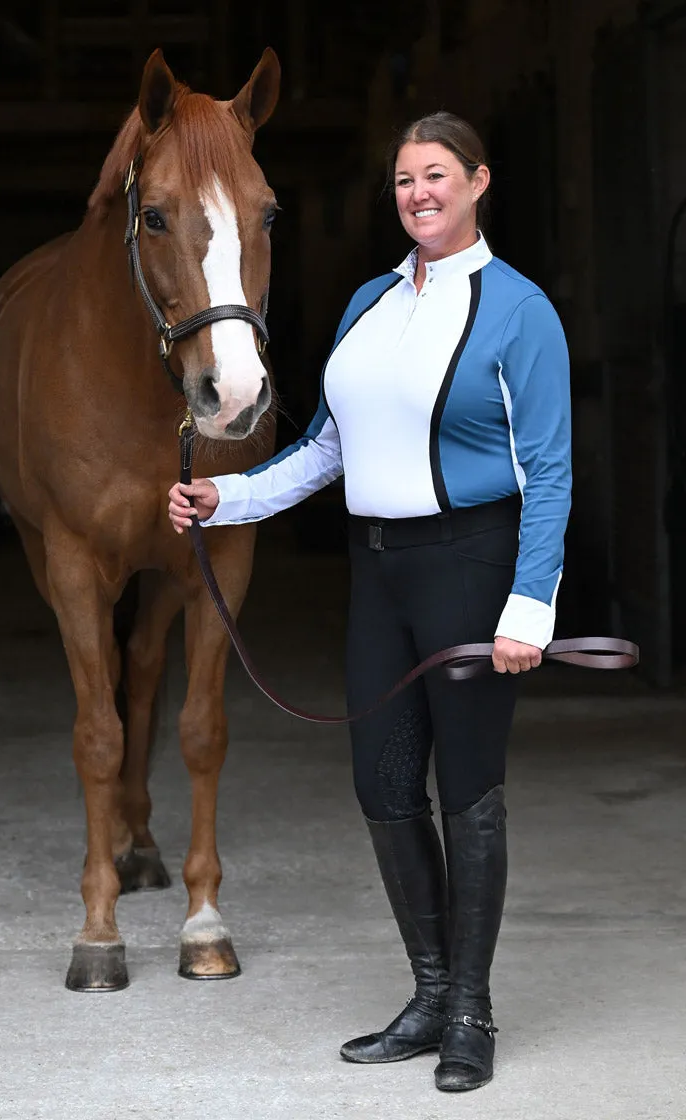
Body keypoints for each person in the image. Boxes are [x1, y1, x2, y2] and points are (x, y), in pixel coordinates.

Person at [168, 112, 571, 1093]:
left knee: (466, 787)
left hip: (470, 564)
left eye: (435, 174)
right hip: (378, 572)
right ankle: (428, 992)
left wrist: (529, 605)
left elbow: (547, 467)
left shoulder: (517, 310)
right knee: (381, 783)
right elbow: (328, 449)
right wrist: (231, 496)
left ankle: (470, 1010)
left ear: (477, 182)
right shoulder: (367, 302)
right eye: (402, 179)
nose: (417, 193)